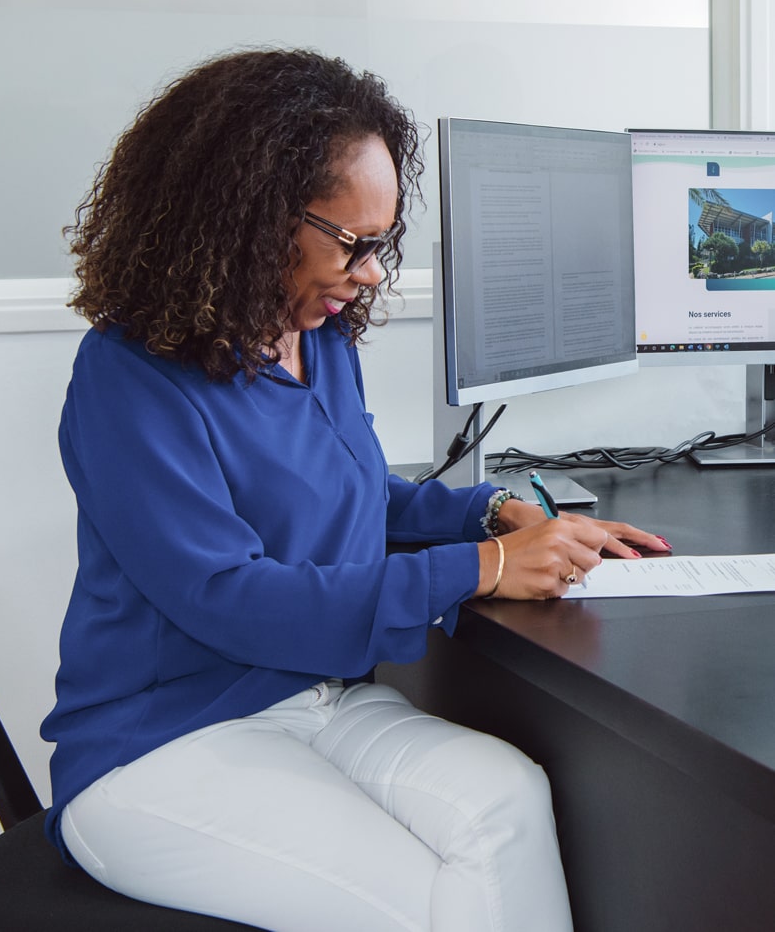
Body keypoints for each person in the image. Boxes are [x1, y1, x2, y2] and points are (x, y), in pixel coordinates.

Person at [40, 48, 671, 932]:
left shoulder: (316, 337)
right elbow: (229, 597)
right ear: (251, 220)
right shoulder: (128, 379)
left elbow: (363, 496)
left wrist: (498, 516)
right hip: (159, 746)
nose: (371, 271)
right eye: (354, 243)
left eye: (382, 243)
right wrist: (481, 567)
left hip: (314, 699)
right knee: (434, 907)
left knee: (508, 800)